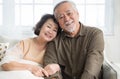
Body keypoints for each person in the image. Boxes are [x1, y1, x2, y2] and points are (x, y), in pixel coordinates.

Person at [43, 1, 104, 79]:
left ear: (77, 14)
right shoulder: (54, 41)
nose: (67, 19)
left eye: (69, 13)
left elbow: (92, 68)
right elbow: (50, 68)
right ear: (58, 22)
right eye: (61, 17)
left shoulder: (95, 34)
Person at [0, 14, 61, 79]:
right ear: (40, 27)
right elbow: (6, 64)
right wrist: (31, 67)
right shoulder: (25, 43)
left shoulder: (53, 50)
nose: (50, 31)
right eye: (48, 27)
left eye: (55, 30)